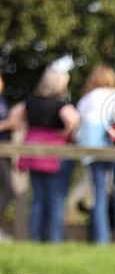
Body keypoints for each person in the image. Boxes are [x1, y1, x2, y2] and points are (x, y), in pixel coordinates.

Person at [3, 66, 79, 242]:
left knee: (37, 198)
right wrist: (65, 133)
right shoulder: (61, 105)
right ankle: (54, 238)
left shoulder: (30, 102)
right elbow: (73, 120)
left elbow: (14, 116)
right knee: (55, 198)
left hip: (33, 153)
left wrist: (25, 126)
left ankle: (36, 237)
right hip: (54, 154)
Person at [76, 65, 115, 246]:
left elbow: (79, 127)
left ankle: (100, 240)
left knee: (99, 195)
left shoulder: (86, 99)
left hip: (94, 152)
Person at [0, 75, 14, 238]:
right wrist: (10, 124)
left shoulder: (2, 99)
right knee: (9, 189)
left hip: (3, 151)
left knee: (8, 190)